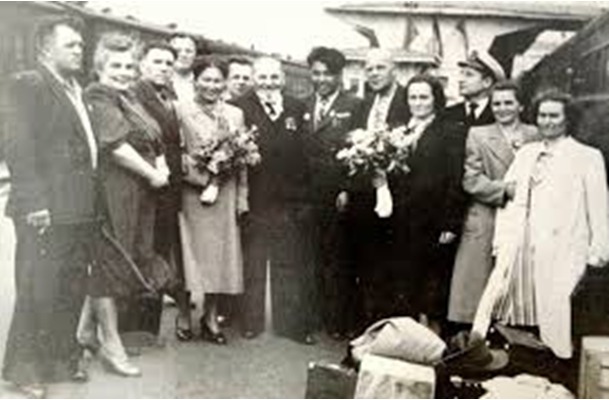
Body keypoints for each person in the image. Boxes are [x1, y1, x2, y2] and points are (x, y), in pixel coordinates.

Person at [2, 17, 147, 397]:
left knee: (69, 287)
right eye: (71, 45)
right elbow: (19, 147)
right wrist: (35, 203)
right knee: (38, 287)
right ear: (44, 48)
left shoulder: (75, 88)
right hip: (46, 209)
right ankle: (23, 369)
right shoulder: (29, 84)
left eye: (81, 45)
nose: (79, 50)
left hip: (78, 208)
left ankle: (59, 360)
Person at [472, 90, 609, 360]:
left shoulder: (587, 157)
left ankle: (557, 366)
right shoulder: (527, 153)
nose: (547, 122)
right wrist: (501, 242)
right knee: (506, 306)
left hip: (563, 246)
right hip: (521, 244)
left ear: (568, 119)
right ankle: (510, 364)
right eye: (542, 116)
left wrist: (598, 252)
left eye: (554, 116)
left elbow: (599, 207)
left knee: (555, 313)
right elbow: (510, 202)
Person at [81, 33, 173, 377]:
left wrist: (161, 165)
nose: (124, 72)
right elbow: (116, 146)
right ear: (100, 67)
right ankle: (111, 343)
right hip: (114, 190)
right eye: (115, 66)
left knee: (120, 259)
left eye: (129, 66)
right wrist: (153, 173)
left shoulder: (128, 97)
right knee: (111, 262)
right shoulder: (98, 95)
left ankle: (85, 331)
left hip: (138, 191)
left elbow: (154, 137)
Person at [234, 57, 316, 344]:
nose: (268, 83)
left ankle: (289, 324)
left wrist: (303, 196)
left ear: (282, 79)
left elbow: (305, 154)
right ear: (254, 79)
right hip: (255, 197)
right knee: (253, 261)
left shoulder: (296, 107)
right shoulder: (239, 107)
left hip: (288, 199)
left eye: (273, 77)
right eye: (262, 77)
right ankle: (251, 322)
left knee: (287, 262)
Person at [448, 81, 539, 327]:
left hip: (524, 216)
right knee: (477, 287)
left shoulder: (534, 134)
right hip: (487, 215)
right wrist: (504, 190)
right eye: (497, 103)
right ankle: (475, 336)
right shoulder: (478, 134)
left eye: (508, 102)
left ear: (520, 106)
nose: (502, 108)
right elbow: (471, 179)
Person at [178, 58, 248, 345]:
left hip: (225, 192)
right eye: (206, 79)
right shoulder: (180, 110)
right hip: (192, 193)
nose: (212, 86)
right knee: (188, 254)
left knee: (219, 255)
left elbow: (242, 157)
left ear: (225, 83)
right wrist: (203, 180)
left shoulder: (234, 114)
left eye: (218, 80)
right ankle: (184, 314)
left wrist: (241, 197)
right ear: (195, 80)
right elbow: (178, 154)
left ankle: (210, 316)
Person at [388, 74, 464, 335]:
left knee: (430, 281)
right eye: (412, 97)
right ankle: (406, 335)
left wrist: (450, 222)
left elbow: (456, 178)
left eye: (424, 97)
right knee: (404, 277)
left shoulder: (448, 131)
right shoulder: (399, 129)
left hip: (432, 218)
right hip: (401, 217)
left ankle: (429, 336)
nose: (418, 103)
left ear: (435, 100)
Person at [345, 48, 409, 328]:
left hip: (398, 192)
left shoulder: (409, 100)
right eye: (369, 69)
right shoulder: (365, 103)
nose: (373, 74)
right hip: (364, 192)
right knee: (365, 257)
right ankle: (365, 322)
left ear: (394, 70)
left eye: (380, 68)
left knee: (392, 260)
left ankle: (389, 324)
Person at [131, 42, 188, 342]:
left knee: (159, 251)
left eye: (169, 63)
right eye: (157, 61)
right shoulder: (135, 95)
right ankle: (136, 328)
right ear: (142, 64)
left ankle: (146, 328)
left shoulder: (167, 95)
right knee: (145, 252)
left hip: (169, 187)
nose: (164, 67)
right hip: (147, 186)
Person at [304, 46, 362, 339]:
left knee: (338, 258)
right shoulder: (302, 104)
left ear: (339, 75)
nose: (321, 79)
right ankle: (314, 315)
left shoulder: (355, 105)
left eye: (327, 74)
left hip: (337, 194)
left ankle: (337, 319)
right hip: (307, 193)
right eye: (316, 73)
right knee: (311, 255)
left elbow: (359, 150)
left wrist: (347, 188)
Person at [445, 50, 505, 129]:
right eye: (461, 73)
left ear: (487, 82)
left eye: (469, 75)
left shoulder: (499, 114)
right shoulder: (447, 114)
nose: (461, 80)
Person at [170, 34, 197, 104]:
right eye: (178, 51)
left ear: (195, 54)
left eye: (188, 51)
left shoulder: (202, 82)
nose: (183, 55)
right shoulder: (161, 80)